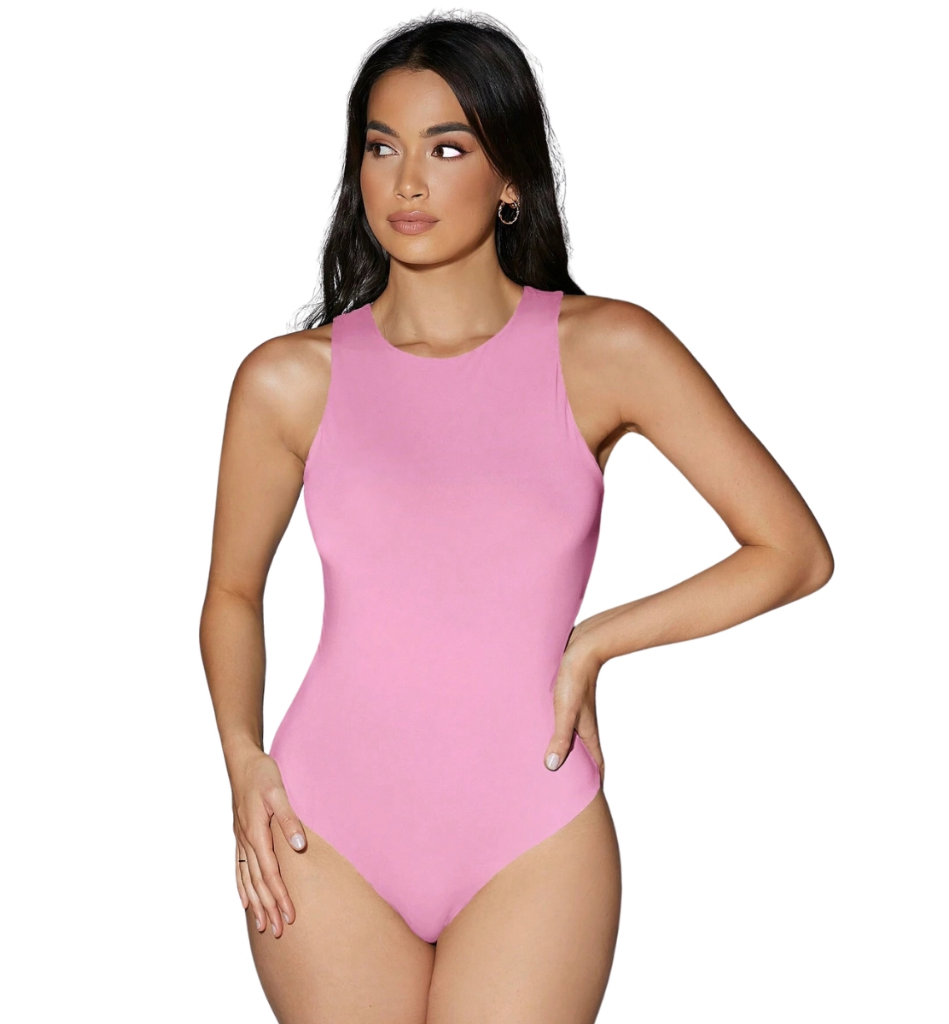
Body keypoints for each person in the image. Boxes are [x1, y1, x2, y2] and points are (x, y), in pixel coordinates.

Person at [199, 12, 833, 1022]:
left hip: (531, 824)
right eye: (382, 147)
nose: (407, 182)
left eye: (447, 148)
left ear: (509, 178)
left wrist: (595, 643)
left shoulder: (607, 348)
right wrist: (243, 760)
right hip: (324, 822)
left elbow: (792, 551)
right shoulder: (288, 380)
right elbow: (233, 592)